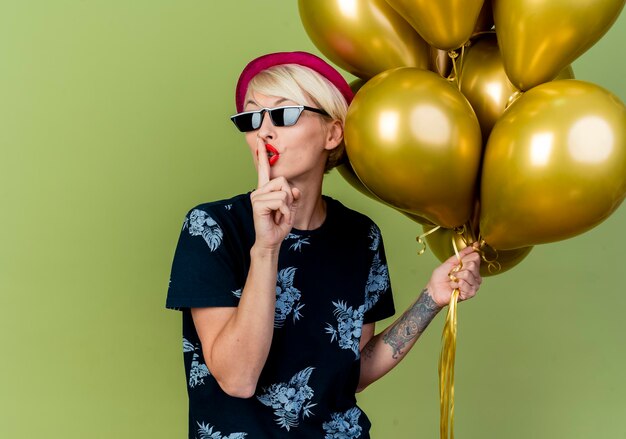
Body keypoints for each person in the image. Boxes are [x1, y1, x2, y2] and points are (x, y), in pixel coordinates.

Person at [166, 51, 482, 439]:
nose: (264, 131)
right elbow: (237, 379)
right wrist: (265, 248)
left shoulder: (360, 236)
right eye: (251, 118)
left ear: (333, 134)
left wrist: (431, 298)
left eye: (283, 114)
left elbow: (356, 371)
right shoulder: (212, 228)